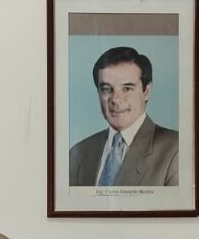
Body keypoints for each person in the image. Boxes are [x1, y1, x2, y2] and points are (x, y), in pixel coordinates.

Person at [69, 47, 178, 187]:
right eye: (106, 89)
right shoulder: (78, 153)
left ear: (146, 91)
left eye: (127, 88)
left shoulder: (176, 149)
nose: (116, 99)